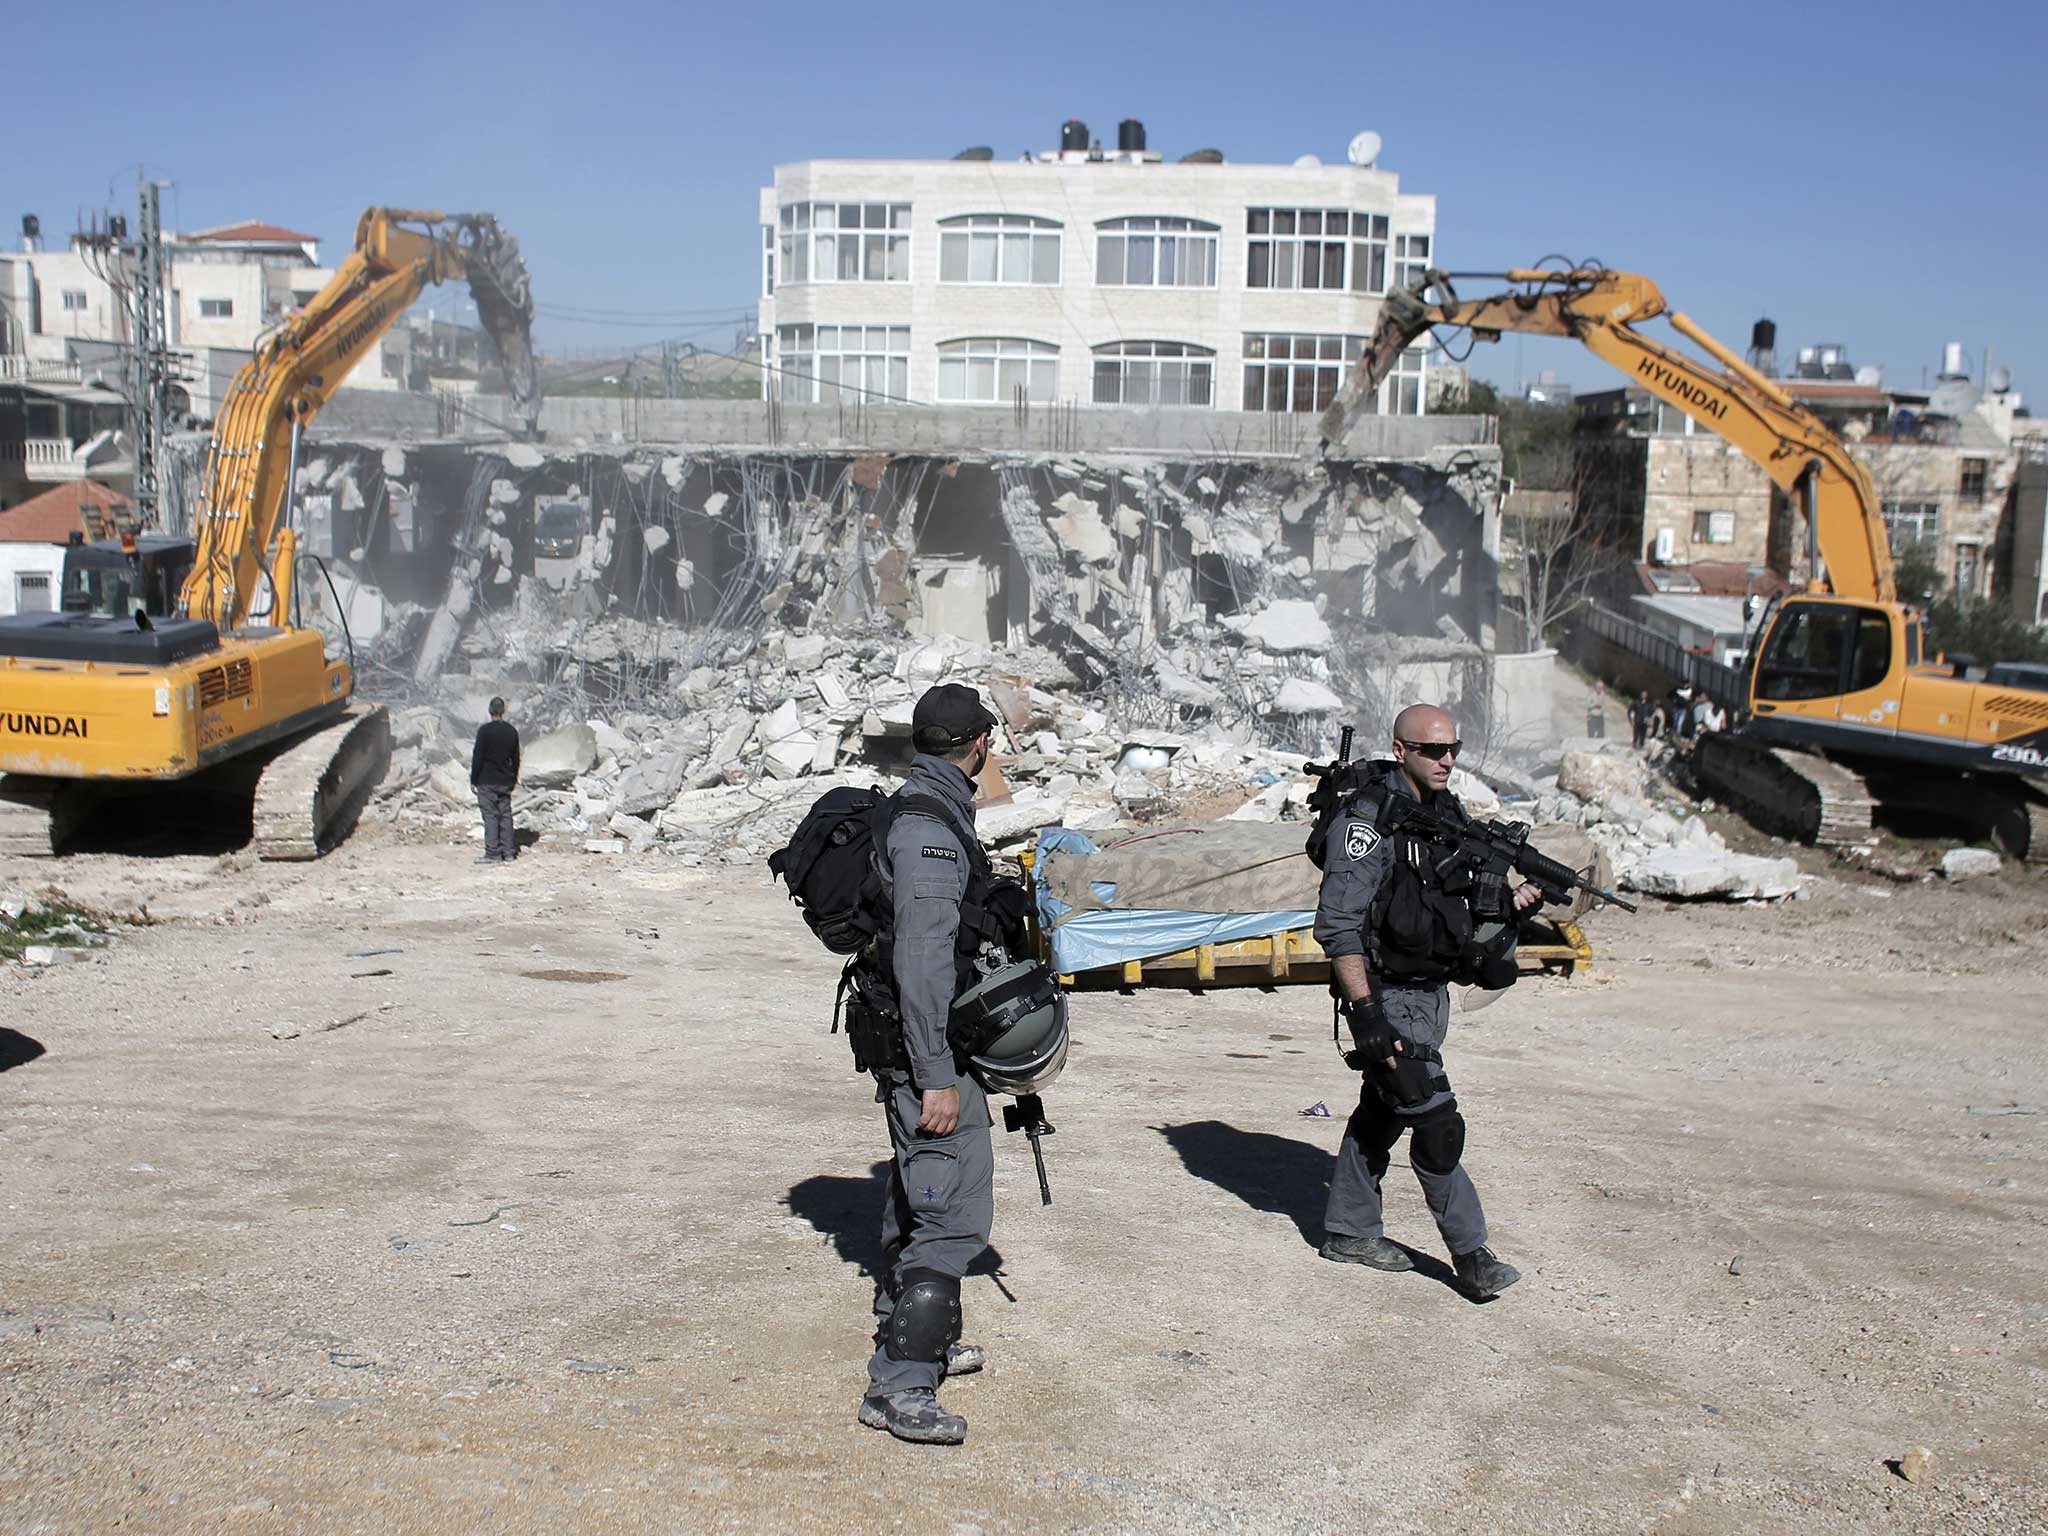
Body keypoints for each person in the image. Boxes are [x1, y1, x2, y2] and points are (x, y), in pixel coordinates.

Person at [1313, 703, 1539, 1301]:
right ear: (1400, 749)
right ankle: (1472, 1256)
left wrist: (1511, 906)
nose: (1446, 760)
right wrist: (1367, 1017)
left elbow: (1457, 903)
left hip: (1430, 994)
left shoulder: (1446, 814)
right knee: (1437, 1126)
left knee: (1383, 1112)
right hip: (1385, 996)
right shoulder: (1367, 824)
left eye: (1453, 750)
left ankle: (1348, 1230)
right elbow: (1337, 927)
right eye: (1433, 750)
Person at [855, 682, 1004, 1445]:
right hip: (929, 1049)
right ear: (979, 742)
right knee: (952, 1211)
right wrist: (936, 1074)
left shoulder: (931, 807)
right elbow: (921, 959)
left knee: (917, 1189)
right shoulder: (929, 829)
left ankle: (917, 1330)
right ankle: (901, 1385)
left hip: (926, 1042)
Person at [469, 697, 520, 863]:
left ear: (490, 711)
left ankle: (493, 853)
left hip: (486, 780)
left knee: (490, 816)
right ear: (503, 711)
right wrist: (513, 777)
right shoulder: (511, 731)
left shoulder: (484, 731)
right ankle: (509, 852)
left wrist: (473, 779)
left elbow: (478, 757)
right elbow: (516, 758)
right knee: (505, 815)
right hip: (505, 780)